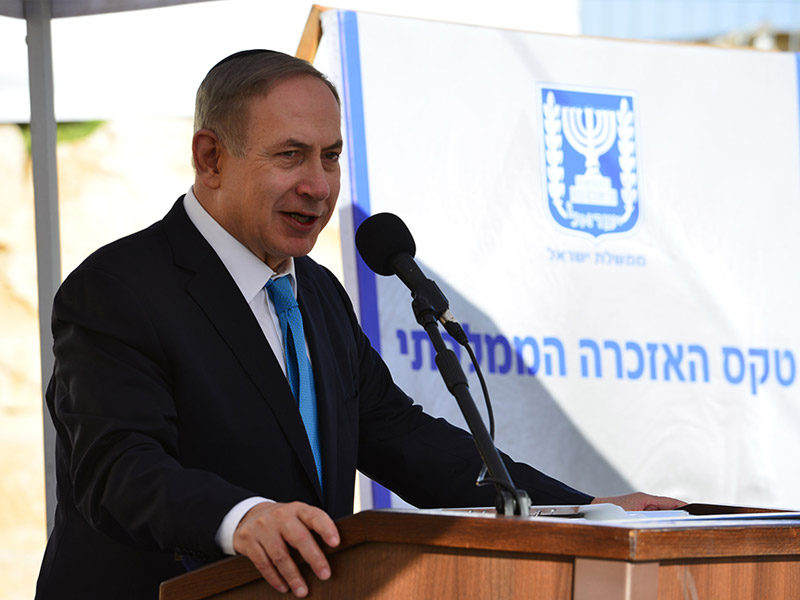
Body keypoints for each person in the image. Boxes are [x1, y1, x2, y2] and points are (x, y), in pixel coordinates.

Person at [34, 49, 681, 599]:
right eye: (291, 156)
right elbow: (117, 466)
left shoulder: (315, 292)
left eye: (332, 156)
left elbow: (398, 437)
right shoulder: (118, 289)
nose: (319, 186)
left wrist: (583, 511)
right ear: (211, 157)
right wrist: (240, 519)